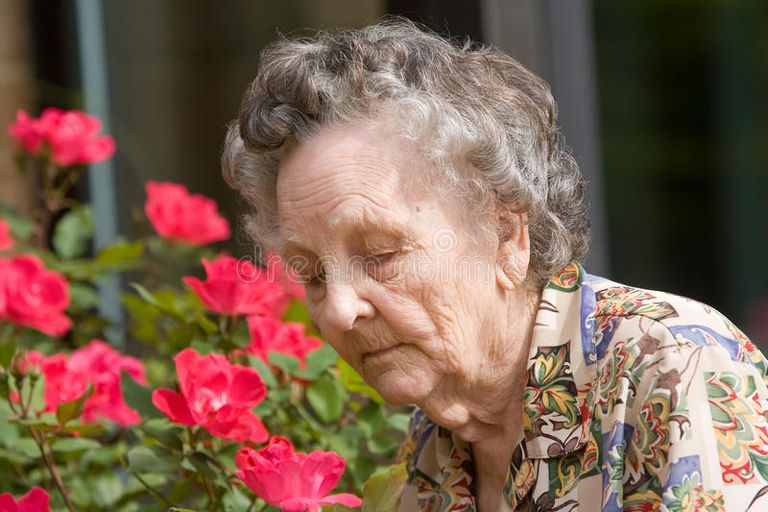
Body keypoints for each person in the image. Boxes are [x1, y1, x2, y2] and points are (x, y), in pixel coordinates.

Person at [221, 19, 768, 512]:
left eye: (380, 255)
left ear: (506, 234)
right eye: (314, 275)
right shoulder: (433, 448)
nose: (338, 311)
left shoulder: (672, 367)